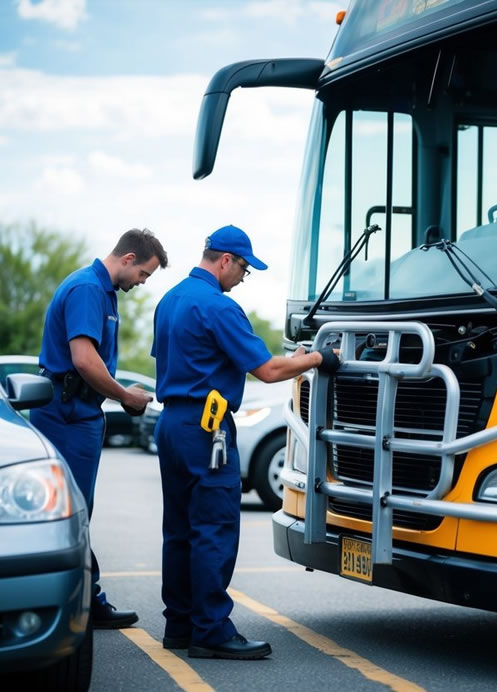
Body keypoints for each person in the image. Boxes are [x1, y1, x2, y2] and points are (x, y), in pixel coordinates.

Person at [152, 224, 340, 659]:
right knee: (214, 529)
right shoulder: (219, 307)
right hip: (207, 429)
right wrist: (318, 359)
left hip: (173, 425)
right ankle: (212, 631)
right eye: (244, 269)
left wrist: (288, 360)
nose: (242, 277)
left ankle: (179, 626)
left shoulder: (170, 300)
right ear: (224, 261)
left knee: (179, 530)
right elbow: (268, 372)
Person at [32, 227, 168, 629]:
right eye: (144, 274)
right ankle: (77, 606)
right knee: (69, 513)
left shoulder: (102, 291)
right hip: (68, 413)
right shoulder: (89, 289)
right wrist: (125, 395)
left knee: (74, 512)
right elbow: (84, 361)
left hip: (79, 411)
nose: (142, 283)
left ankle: (81, 602)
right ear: (128, 259)